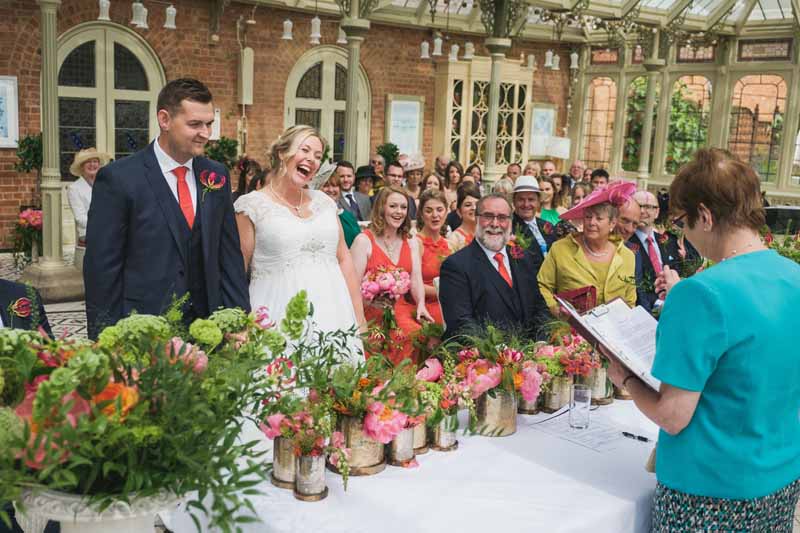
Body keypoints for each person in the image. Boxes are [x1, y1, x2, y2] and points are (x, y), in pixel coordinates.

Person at [605, 148, 800, 532]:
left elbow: (673, 416)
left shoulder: (701, 293)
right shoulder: (793, 275)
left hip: (709, 490)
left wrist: (623, 377)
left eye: (682, 222)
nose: (685, 235)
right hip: (779, 474)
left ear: (706, 216)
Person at [84, 78, 250, 339]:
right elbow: (102, 269)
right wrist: (105, 338)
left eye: (209, 124)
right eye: (195, 124)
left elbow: (228, 254)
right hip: (145, 329)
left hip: (209, 330)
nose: (205, 133)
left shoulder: (216, 174)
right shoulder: (119, 179)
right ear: (164, 119)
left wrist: (238, 318)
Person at [235, 125, 364, 362]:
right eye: (305, 150)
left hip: (334, 314)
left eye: (318, 156)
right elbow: (237, 270)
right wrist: (238, 323)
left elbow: (344, 259)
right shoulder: (251, 206)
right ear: (283, 152)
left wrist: (359, 317)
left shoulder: (324, 203)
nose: (312, 160)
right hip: (275, 317)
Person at [439, 193, 550, 339]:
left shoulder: (523, 258)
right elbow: (461, 325)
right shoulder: (456, 266)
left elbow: (539, 306)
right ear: (477, 219)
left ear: (510, 222)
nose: (495, 224)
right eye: (488, 216)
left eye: (502, 218)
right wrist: (503, 354)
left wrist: (541, 343)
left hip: (531, 353)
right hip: (485, 355)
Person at [351, 186, 432, 365]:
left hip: (401, 310)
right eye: (393, 206)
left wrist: (420, 304)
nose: (399, 212)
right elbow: (352, 288)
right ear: (382, 208)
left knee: (414, 333)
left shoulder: (410, 242)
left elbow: (416, 279)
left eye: (403, 207)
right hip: (369, 312)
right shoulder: (363, 242)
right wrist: (368, 302)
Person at [537, 181, 637, 314]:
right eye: (588, 217)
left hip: (613, 331)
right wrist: (556, 310)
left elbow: (630, 301)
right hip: (570, 331)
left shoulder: (627, 256)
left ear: (612, 223)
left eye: (599, 218)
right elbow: (543, 286)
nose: (591, 223)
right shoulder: (560, 249)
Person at [396, 189, 451, 328]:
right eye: (429, 210)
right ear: (421, 213)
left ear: (446, 212)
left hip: (447, 303)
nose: (435, 215)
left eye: (440, 210)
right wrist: (443, 290)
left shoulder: (449, 244)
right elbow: (409, 284)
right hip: (422, 305)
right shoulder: (416, 243)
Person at [630, 190, 674, 311]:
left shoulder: (667, 241)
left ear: (657, 212)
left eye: (648, 207)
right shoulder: (626, 244)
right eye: (639, 206)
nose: (643, 211)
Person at [67, 147, 111, 245]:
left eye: (95, 161)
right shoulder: (74, 188)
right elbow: (80, 219)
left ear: (99, 165)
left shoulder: (106, 185)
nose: (92, 164)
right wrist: (104, 223)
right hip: (88, 232)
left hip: (109, 229)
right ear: (82, 166)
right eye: (88, 162)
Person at [615, 197, 651, 312]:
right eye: (624, 220)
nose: (629, 229)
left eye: (635, 224)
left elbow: (639, 293)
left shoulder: (633, 252)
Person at [511, 176, 554, 269]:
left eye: (531, 199)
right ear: (514, 202)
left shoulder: (547, 225)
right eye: (521, 199)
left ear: (538, 202)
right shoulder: (509, 229)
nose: (526, 204)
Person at [320, 170, 361, 248]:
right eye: (326, 186)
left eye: (335, 186)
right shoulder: (313, 216)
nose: (331, 190)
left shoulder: (347, 216)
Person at [447, 182, 480, 252]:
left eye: (477, 204)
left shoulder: (485, 234)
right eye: (468, 205)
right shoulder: (454, 240)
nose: (474, 208)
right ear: (459, 211)